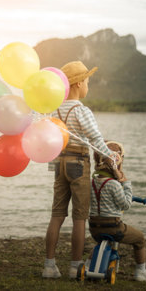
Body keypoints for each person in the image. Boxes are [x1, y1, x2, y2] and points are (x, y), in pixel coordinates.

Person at [42, 61, 119, 279]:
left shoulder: (54, 109)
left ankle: (49, 265)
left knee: (57, 214)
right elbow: (95, 139)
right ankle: (75, 266)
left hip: (58, 162)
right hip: (78, 162)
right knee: (79, 216)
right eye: (86, 82)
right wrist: (110, 156)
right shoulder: (81, 110)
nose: (88, 86)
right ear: (77, 84)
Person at [88, 141, 146, 282]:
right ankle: (141, 272)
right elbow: (125, 205)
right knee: (139, 238)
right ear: (116, 161)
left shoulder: (93, 182)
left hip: (95, 228)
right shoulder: (114, 184)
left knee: (101, 239)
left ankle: (89, 264)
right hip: (114, 227)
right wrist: (125, 183)